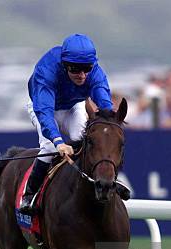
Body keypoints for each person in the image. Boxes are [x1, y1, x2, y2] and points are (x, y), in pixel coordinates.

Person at [20, 33, 128, 215]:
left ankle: (101, 184)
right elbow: (45, 112)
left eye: (87, 68)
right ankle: (29, 194)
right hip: (44, 108)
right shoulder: (46, 71)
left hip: (74, 105)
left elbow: (104, 104)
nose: (82, 75)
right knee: (48, 148)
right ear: (64, 65)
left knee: (85, 142)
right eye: (76, 69)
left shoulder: (95, 73)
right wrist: (58, 141)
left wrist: (109, 122)